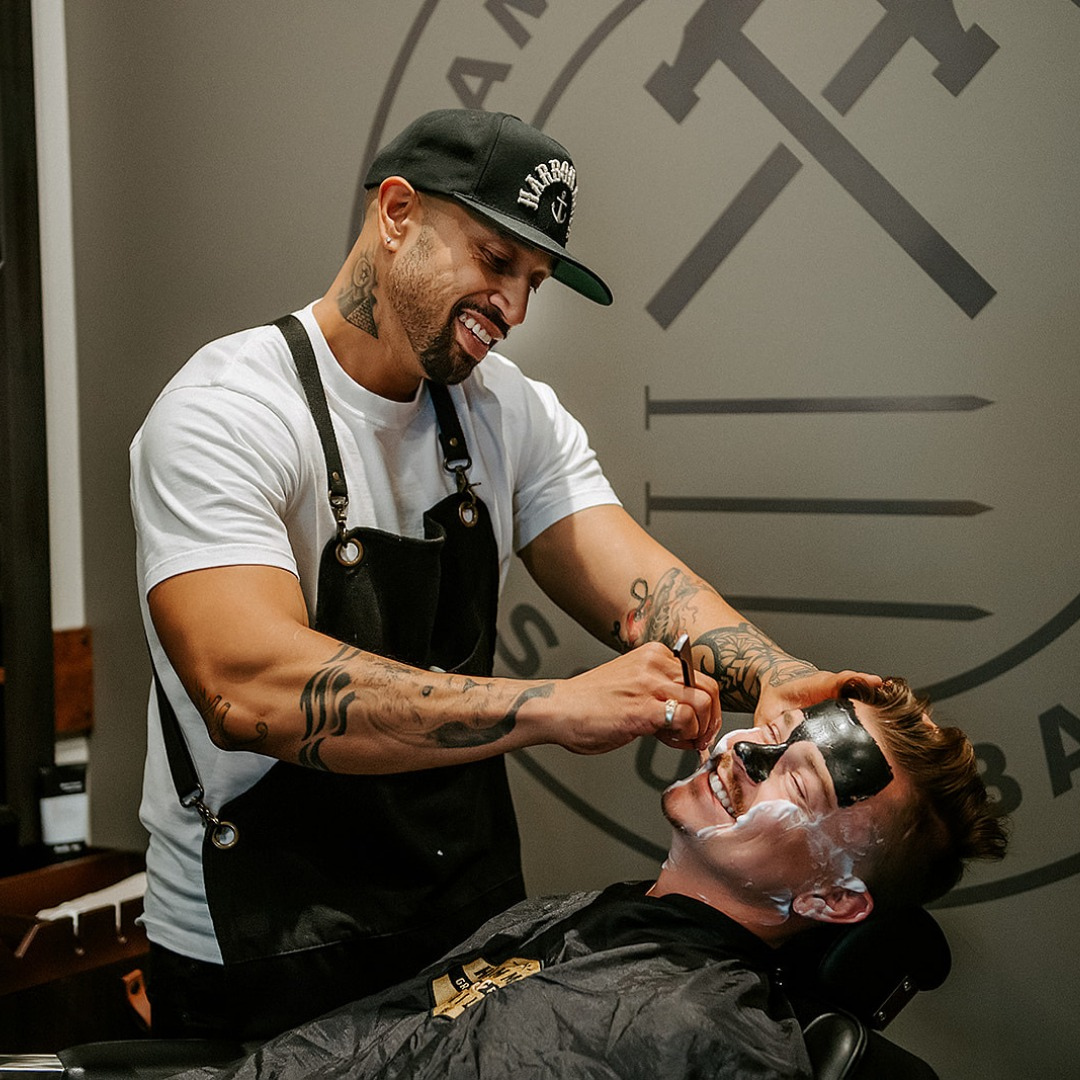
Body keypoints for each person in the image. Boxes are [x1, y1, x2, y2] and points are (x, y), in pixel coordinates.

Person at [130, 107, 878, 1040]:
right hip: (264, 941)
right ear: (397, 212)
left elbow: (637, 585)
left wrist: (776, 676)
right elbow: (250, 688)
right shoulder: (229, 411)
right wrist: (553, 708)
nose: (516, 310)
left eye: (534, 281)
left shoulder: (505, 415)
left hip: (465, 927)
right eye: (495, 262)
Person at [172, 677, 1008, 1080]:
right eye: (777, 731)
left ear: (831, 898)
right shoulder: (592, 915)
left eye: (799, 782)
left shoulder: (708, 1040)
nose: (745, 755)